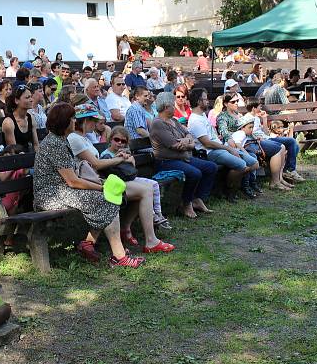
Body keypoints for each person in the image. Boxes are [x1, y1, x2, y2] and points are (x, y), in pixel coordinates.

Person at [33, 103, 145, 268]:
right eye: (72, 118)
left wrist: (100, 183)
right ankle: (119, 256)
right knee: (107, 197)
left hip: (61, 190)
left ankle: (90, 244)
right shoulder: (55, 144)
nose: (74, 121)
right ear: (64, 122)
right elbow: (73, 181)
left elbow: (73, 178)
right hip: (50, 195)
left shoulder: (60, 140)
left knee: (109, 197)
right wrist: (101, 187)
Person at [68, 104, 174, 253]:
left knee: (146, 189)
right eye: (93, 120)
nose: (96, 124)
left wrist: (118, 158)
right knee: (144, 190)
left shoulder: (83, 138)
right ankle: (148, 241)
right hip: (92, 184)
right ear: (85, 121)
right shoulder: (75, 138)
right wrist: (120, 160)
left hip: (99, 181)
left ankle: (140, 236)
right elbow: (96, 164)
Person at [150, 92, 216, 218]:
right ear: (166, 106)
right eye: (172, 104)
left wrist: (187, 141)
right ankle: (186, 204)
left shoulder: (173, 121)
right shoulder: (158, 123)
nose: (175, 107)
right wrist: (189, 143)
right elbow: (175, 145)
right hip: (166, 162)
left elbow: (189, 134)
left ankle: (197, 199)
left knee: (211, 167)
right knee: (195, 173)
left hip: (183, 157)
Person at [187, 89, 258, 201]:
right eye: (205, 98)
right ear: (199, 101)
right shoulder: (195, 120)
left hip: (219, 147)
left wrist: (223, 143)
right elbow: (207, 143)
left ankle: (227, 186)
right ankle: (229, 190)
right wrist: (228, 148)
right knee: (242, 165)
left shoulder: (202, 116)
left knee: (254, 163)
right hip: (210, 152)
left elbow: (212, 135)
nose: (207, 101)